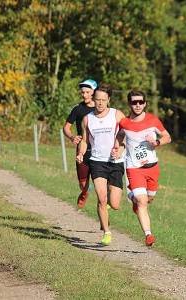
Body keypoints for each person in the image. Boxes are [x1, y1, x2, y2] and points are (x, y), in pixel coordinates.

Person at [112, 90, 171, 247]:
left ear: (145, 103)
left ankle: (132, 198)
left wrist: (156, 143)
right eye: (133, 102)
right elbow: (119, 136)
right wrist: (117, 147)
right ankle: (148, 235)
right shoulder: (124, 122)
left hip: (152, 168)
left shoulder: (153, 120)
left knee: (149, 198)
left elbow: (167, 137)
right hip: (134, 167)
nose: (137, 105)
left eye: (140, 102)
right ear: (129, 104)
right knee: (142, 201)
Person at [76, 84, 125, 246]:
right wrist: (81, 153)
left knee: (115, 204)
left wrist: (121, 148)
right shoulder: (87, 118)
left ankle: (106, 211)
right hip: (97, 162)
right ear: (93, 100)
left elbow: (126, 134)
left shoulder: (117, 115)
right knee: (101, 199)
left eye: (104, 100)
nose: (100, 103)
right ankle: (106, 232)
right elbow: (84, 140)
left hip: (115, 162)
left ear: (109, 100)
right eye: (97, 100)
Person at [63, 79, 97, 209]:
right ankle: (84, 192)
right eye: (82, 92)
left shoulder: (100, 109)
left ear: (93, 92)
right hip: (82, 148)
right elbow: (66, 127)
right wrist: (72, 137)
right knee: (83, 184)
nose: (84, 95)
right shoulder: (78, 109)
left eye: (87, 92)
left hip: (98, 149)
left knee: (100, 179)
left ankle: (103, 203)